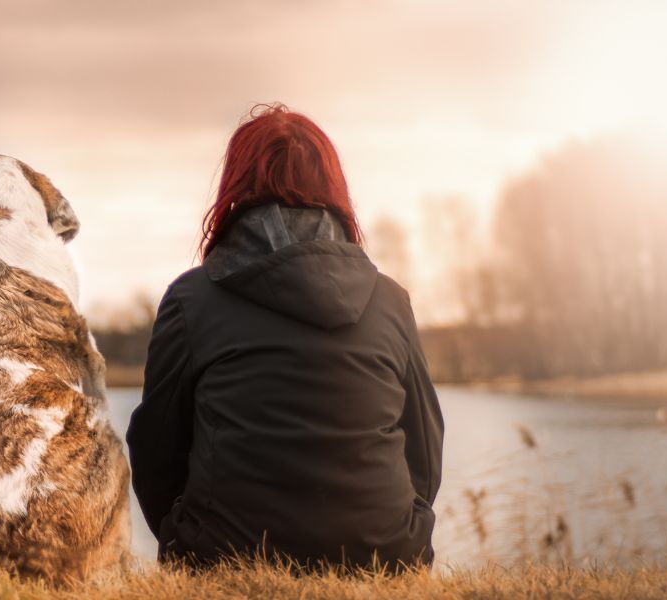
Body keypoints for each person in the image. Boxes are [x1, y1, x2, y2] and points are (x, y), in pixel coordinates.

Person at [126, 104, 443, 571]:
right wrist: (401, 529)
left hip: (224, 556)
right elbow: (425, 448)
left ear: (235, 188)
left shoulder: (192, 300)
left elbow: (155, 450)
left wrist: (184, 536)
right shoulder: (390, 300)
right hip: (385, 555)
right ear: (333, 188)